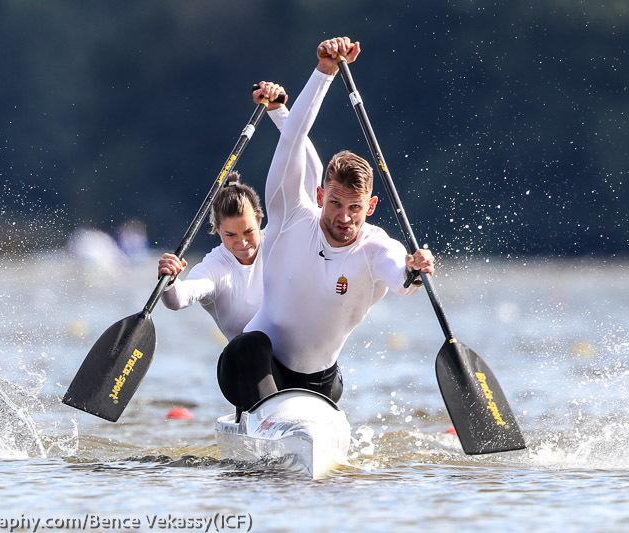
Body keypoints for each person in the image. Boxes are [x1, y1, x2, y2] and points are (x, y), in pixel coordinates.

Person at [217, 37, 436, 415]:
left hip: (321, 383)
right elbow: (292, 140)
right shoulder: (290, 216)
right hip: (255, 369)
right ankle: (265, 422)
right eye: (335, 204)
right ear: (320, 196)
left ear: (371, 205)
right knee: (249, 346)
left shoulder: (376, 247)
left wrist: (415, 271)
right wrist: (324, 72)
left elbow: (401, 278)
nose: (344, 217)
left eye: (354, 207)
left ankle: (286, 424)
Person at [158, 82, 323, 341]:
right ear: (216, 230)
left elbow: (313, 172)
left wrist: (279, 110)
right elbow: (179, 299)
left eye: (248, 231)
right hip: (245, 365)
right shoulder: (216, 268)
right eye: (230, 235)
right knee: (254, 345)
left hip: (296, 355)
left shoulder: (280, 241)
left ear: (260, 220)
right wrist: (169, 280)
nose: (242, 243)